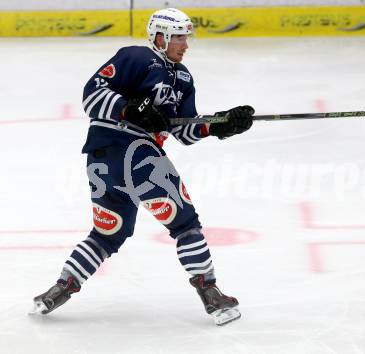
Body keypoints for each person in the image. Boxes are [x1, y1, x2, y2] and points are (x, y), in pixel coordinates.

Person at [32, 8, 254, 326]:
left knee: (108, 234)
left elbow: (185, 130)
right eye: (179, 37)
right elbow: (92, 95)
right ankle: (212, 295)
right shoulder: (136, 57)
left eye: (186, 37)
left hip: (103, 158)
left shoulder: (184, 78)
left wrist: (221, 124)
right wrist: (129, 109)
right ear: (160, 37)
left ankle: (59, 289)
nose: (185, 44)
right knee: (185, 223)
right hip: (131, 151)